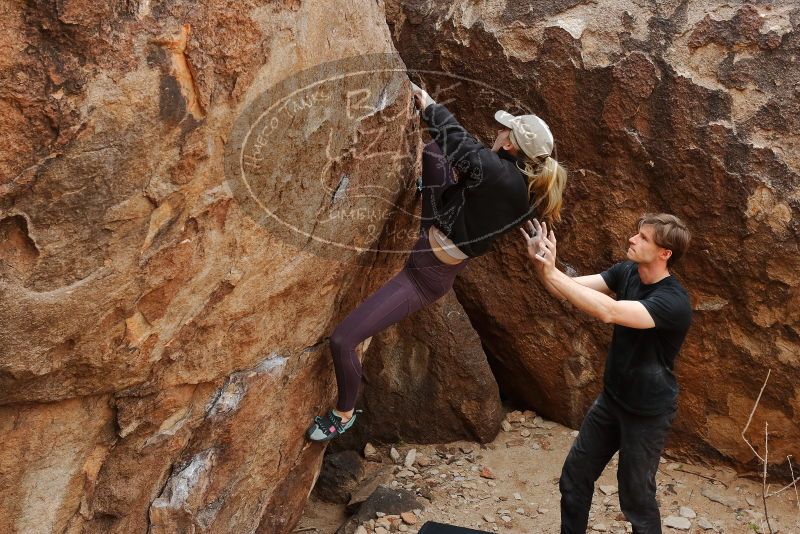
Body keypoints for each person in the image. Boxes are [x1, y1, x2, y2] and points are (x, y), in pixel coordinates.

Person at [306, 82, 568, 441]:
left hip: (423, 276)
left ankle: (344, 413)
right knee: (432, 154)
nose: (498, 130)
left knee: (343, 340)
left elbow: (460, 143)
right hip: (436, 229)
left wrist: (428, 104)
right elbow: (462, 153)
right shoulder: (525, 186)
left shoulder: (495, 173)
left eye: (504, 129)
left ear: (510, 145)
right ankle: (425, 196)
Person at [520, 214, 692, 534]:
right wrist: (545, 263)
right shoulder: (626, 271)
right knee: (574, 478)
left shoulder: (673, 302)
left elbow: (608, 311)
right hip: (612, 399)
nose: (632, 239)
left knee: (636, 500)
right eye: (636, 234)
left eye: (643, 238)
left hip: (647, 412)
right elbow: (566, 291)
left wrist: (551, 272)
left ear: (664, 253)